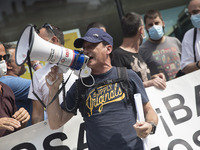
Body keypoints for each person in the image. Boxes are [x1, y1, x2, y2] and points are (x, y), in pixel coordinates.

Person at [45, 28, 158, 150]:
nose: (86, 51)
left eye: (91, 46)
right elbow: (55, 123)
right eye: (84, 48)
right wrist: (53, 89)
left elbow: (149, 111)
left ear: (108, 49)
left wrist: (150, 125)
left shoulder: (127, 76)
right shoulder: (81, 86)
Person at [28, 23, 78, 124]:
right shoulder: (38, 76)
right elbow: (38, 117)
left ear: (54, 40)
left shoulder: (80, 62)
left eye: (41, 42)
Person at [112, 12, 166, 89]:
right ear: (141, 30)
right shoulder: (117, 56)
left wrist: (154, 78)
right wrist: (148, 84)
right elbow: (121, 87)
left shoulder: (137, 52)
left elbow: (139, 78)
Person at [0, 43, 38, 126]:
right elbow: (44, 85)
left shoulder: (6, 88)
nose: (24, 60)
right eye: (18, 57)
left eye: (5, 57)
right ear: (8, 65)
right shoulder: (8, 81)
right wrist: (36, 64)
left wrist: (23, 119)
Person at [139, 9, 181, 81]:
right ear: (146, 28)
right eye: (150, 25)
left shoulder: (175, 41)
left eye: (157, 23)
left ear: (163, 23)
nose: (154, 27)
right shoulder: (142, 50)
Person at [181, 0, 200, 74]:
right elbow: (185, 68)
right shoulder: (189, 35)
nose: (192, 17)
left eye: (195, 12)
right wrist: (198, 64)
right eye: (190, 14)